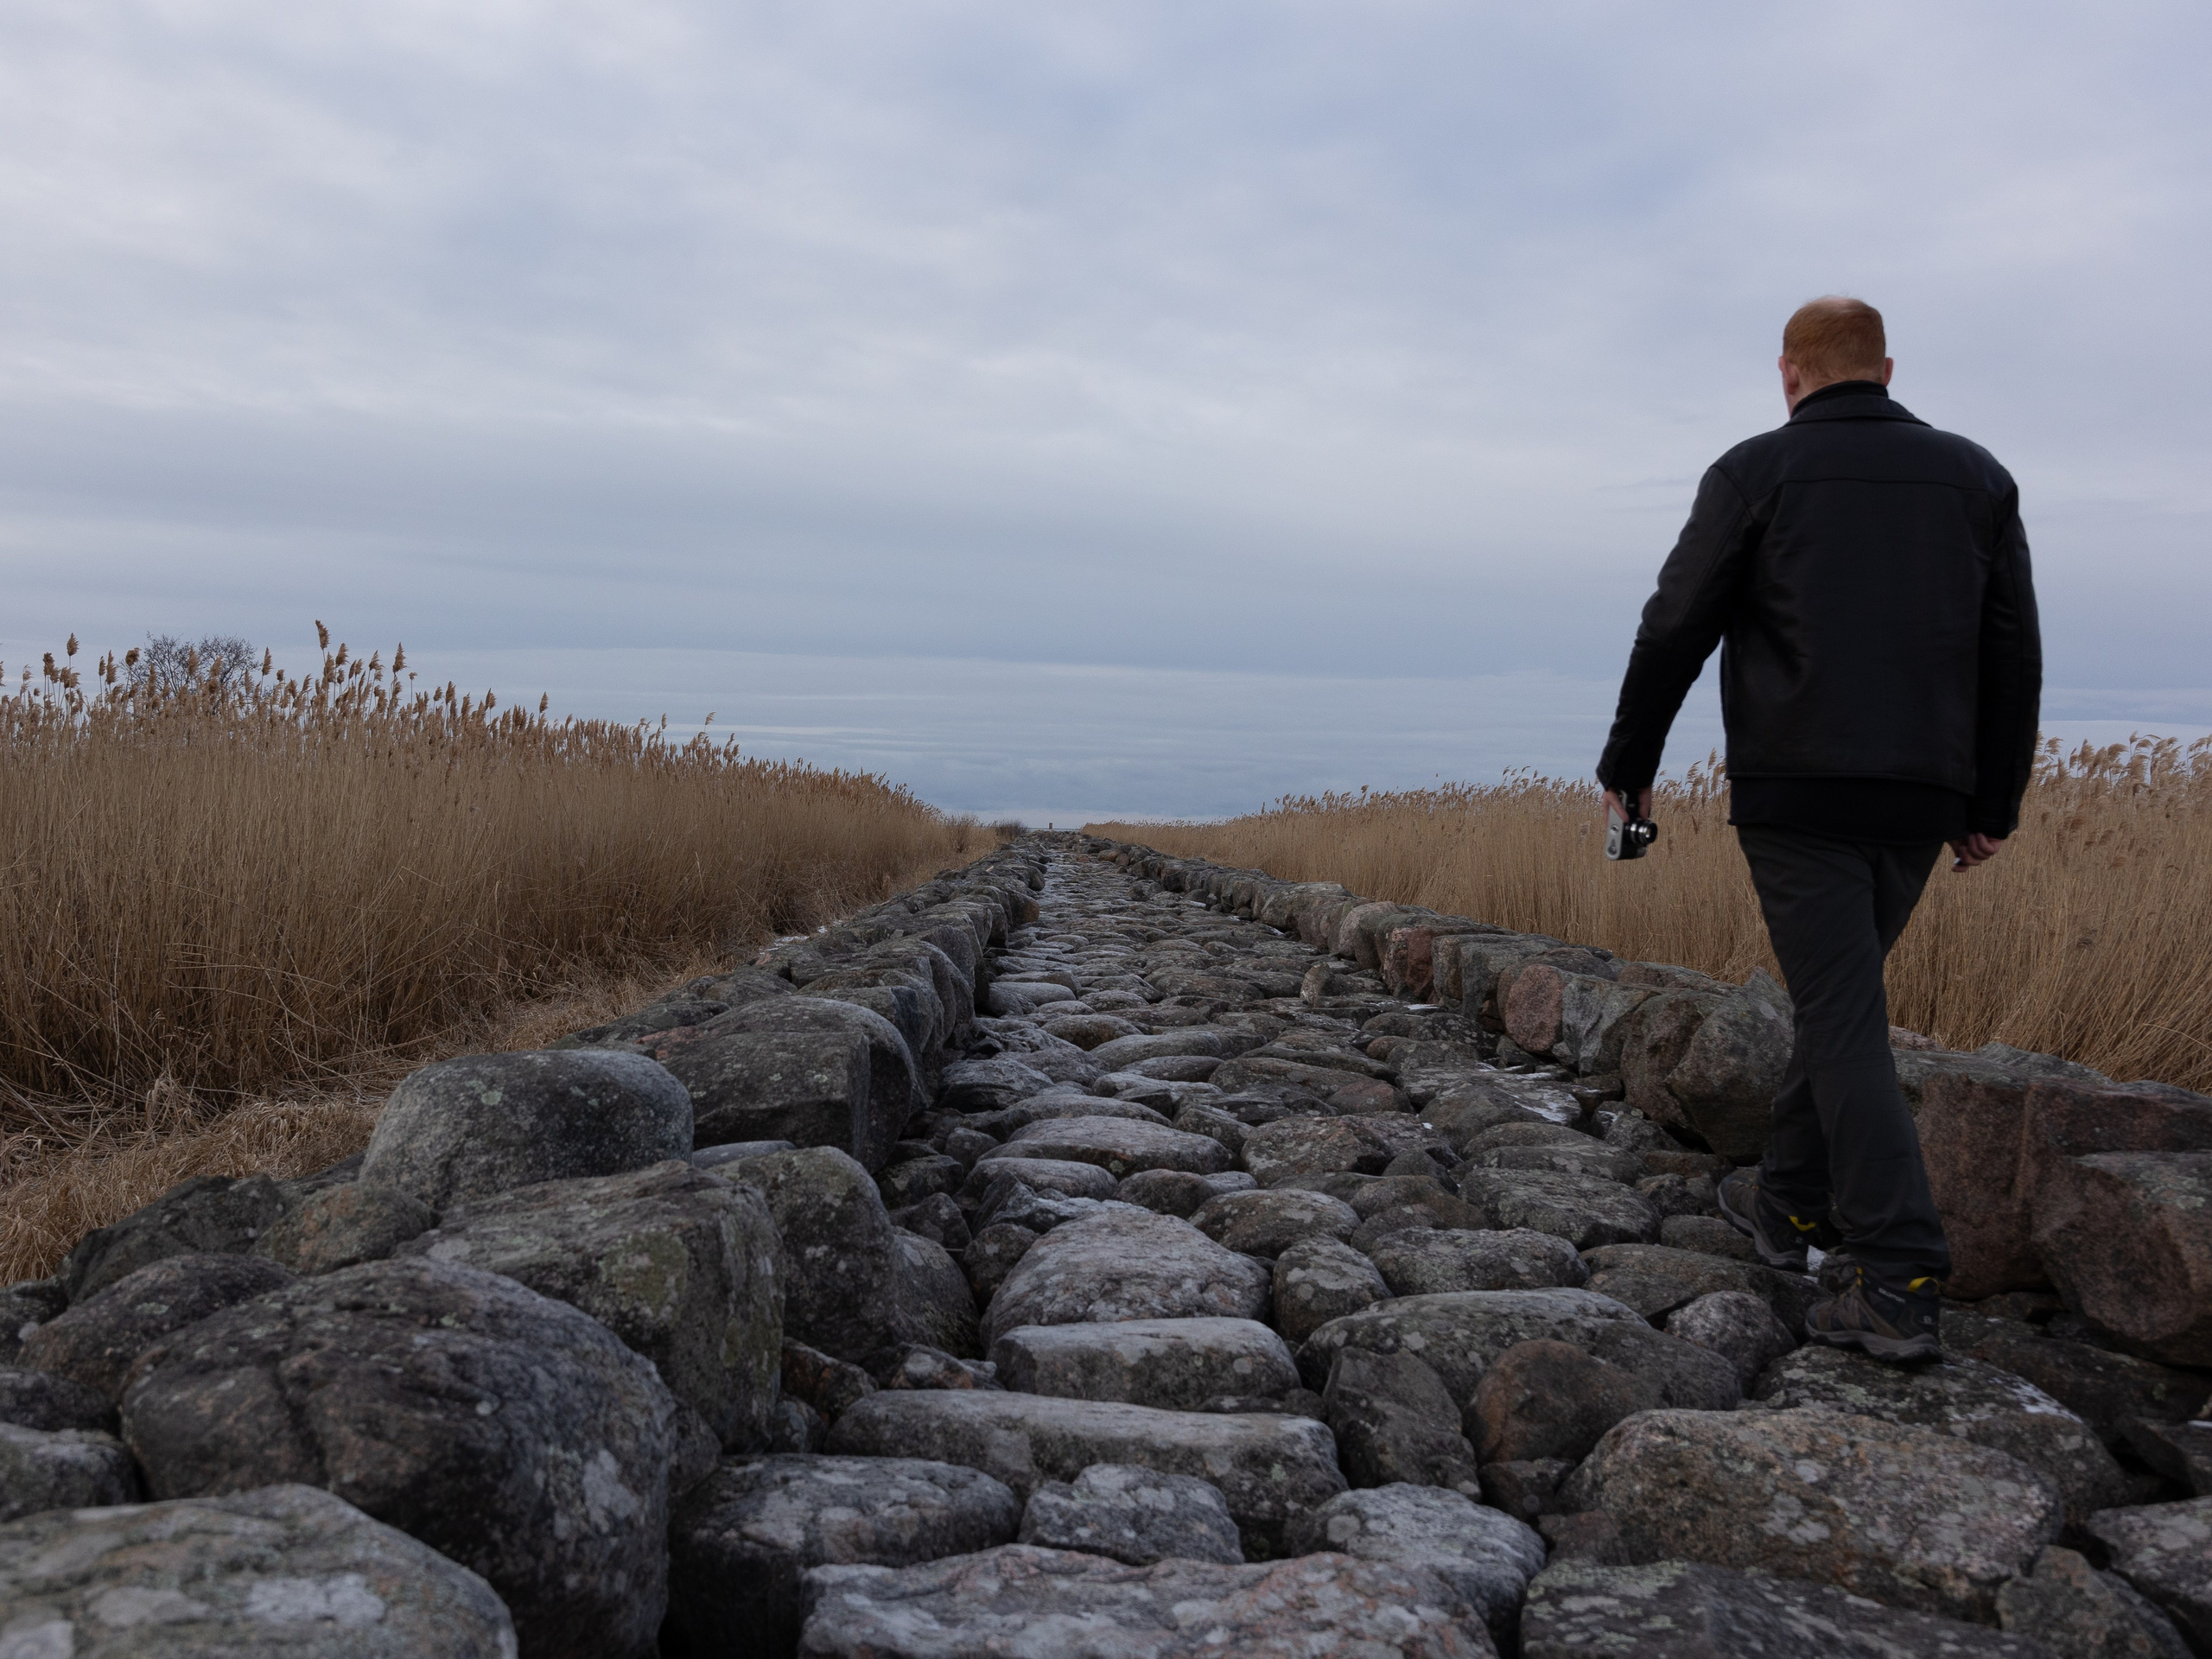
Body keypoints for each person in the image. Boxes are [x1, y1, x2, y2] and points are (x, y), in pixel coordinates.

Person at [1595, 296, 2041, 1363]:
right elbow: (2011, 648)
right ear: (1884, 368)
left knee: (1841, 1016)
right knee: (1837, 1001)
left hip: (1798, 791)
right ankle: (1789, 1203)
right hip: (1922, 795)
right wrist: (1991, 803)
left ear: (1788, 374)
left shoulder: (1755, 471)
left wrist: (1629, 769)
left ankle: (1897, 1274)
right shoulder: (1976, 476)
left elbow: (1673, 627)